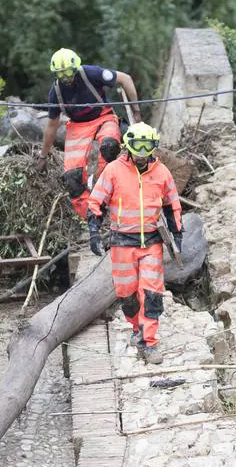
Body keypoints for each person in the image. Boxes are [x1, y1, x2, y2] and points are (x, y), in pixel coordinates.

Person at [86, 122, 183, 365]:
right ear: (127, 145)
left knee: (151, 292)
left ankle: (150, 343)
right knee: (126, 294)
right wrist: (94, 232)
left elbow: (172, 206)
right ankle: (135, 328)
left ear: (154, 147)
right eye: (137, 146)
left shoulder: (162, 173)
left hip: (151, 241)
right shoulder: (113, 171)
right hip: (121, 241)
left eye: (146, 146)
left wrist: (177, 234)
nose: (141, 151)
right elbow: (96, 202)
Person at [39, 48, 139, 220]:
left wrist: (136, 110)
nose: (65, 77)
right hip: (77, 127)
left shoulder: (91, 73)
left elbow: (125, 79)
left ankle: (102, 187)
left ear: (76, 67)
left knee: (109, 147)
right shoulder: (55, 93)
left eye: (69, 71)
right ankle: (92, 218)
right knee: (72, 178)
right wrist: (43, 156)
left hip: (103, 117)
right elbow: (51, 127)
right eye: (60, 74)